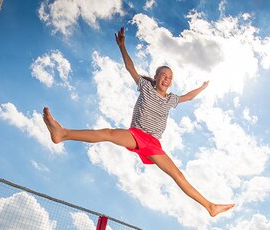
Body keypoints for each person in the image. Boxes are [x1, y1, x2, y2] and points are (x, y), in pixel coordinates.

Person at [42, 27, 234, 218]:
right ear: (156, 77)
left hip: (153, 142)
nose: (167, 80)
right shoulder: (145, 87)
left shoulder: (171, 100)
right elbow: (130, 68)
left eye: (170, 78)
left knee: (178, 176)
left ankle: (210, 206)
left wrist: (202, 87)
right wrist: (122, 46)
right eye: (164, 76)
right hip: (135, 134)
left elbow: (189, 97)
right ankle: (63, 133)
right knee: (108, 133)